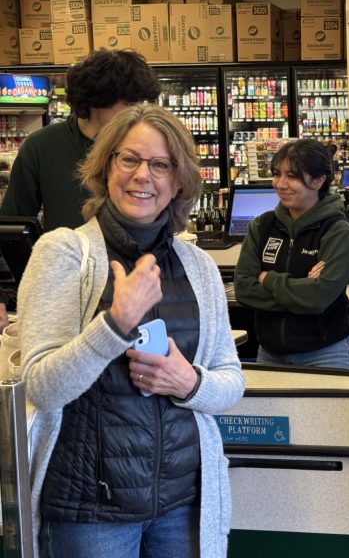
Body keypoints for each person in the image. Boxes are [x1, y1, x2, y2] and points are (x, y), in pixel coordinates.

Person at [18, 104, 245, 557]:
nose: (144, 175)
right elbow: (42, 386)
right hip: (90, 510)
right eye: (129, 159)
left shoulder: (197, 266)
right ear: (105, 168)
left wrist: (188, 381)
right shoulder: (64, 253)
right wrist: (115, 325)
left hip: (182, 505)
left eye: (160, 165)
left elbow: (231, 381)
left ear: (179, 181)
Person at [0, 48, 161, 231]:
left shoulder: (146, 145)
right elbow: (13, 226)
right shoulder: (42, 146)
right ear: (98, 100)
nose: (140, 112)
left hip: (139, 259)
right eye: (131, 104)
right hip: (65, 258)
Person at [235, 138, 349, 368]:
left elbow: (318, 297)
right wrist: (302, 291)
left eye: (292, 176)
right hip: (269, 353)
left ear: (319, 180)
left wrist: (268, 279)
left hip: (326, 355)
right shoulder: (262, 225)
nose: (280, 184)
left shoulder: (336, 231)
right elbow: (243, 289)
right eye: (276, 174)